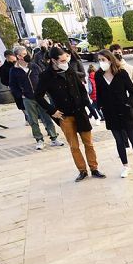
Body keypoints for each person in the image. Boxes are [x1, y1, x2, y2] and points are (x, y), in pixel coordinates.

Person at [35, 46, 105, 182]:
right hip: (64, 115)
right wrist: (52, 110)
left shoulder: (69, 70)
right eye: (61, 60)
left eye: (65, 59)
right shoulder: (45, 76)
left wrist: (86, 103)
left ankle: (94, 168)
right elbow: (38, 96)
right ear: (53, 61)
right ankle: (82, 171)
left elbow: (81, 89)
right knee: (74, 146)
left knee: (89, 143)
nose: (64, 62)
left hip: (80, 112)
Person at [95, 49, 133, 178]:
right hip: (110, 114)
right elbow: (99, 94)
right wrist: (101, 108)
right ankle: (125, 166)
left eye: (103, 59)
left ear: (110, 59)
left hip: (125, 112)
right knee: (119, 141)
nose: (101, 62)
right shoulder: (98, 75)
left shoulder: (121, 73)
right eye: (99, 60)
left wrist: (128, 104)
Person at [10, 46, 62, 150]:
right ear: (18, 56)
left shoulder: (34, 66)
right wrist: (21, 95)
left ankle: (54, 137)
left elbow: (43, 79)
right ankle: (39, 140)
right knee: (33, 120)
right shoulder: (14, 70)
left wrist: (46, 91)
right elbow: (12, 86)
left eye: (26, 53)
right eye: (24, 54)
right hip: (27, 99)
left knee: (47, 117)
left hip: (41, 97)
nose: (27, 56)